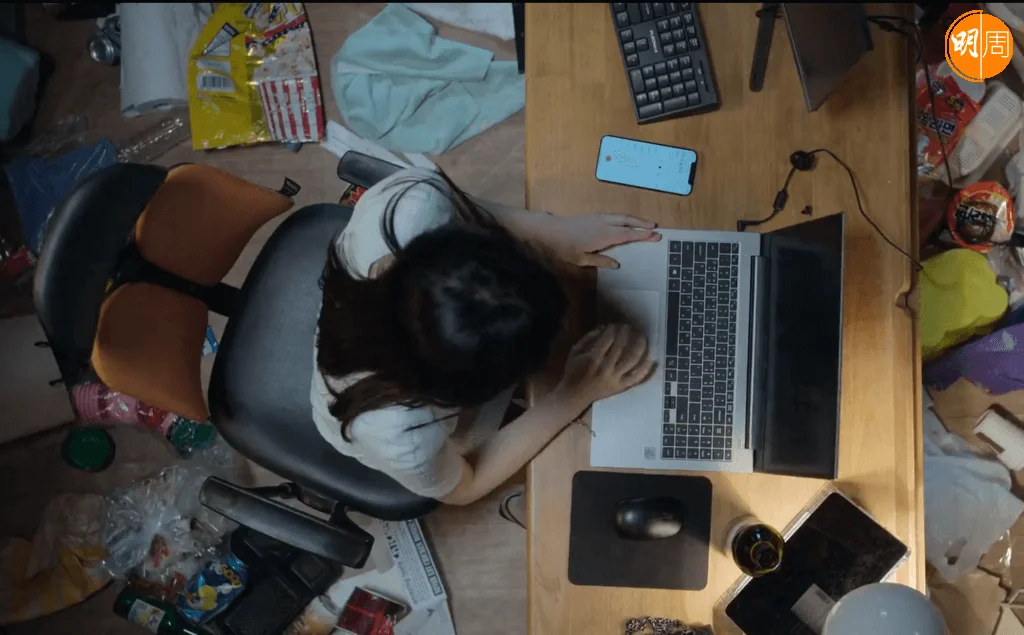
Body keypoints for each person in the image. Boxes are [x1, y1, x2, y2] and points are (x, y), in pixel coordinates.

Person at [311, 167, 660, 505]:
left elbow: (465, 209)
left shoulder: (416, 203)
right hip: (387, 411)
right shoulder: (402, 436)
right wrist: (573, 392)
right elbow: (466, 485)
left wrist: (549, 231)